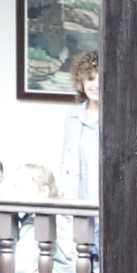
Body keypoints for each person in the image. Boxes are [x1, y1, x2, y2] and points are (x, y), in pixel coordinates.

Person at [57, 51, 101, 206]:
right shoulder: (72, 116)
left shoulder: (118, 117)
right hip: (77, 194)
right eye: (90, 79)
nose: (96, 85)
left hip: (108, 195)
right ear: (81, 81)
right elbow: (66, 158)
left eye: (101, 79)